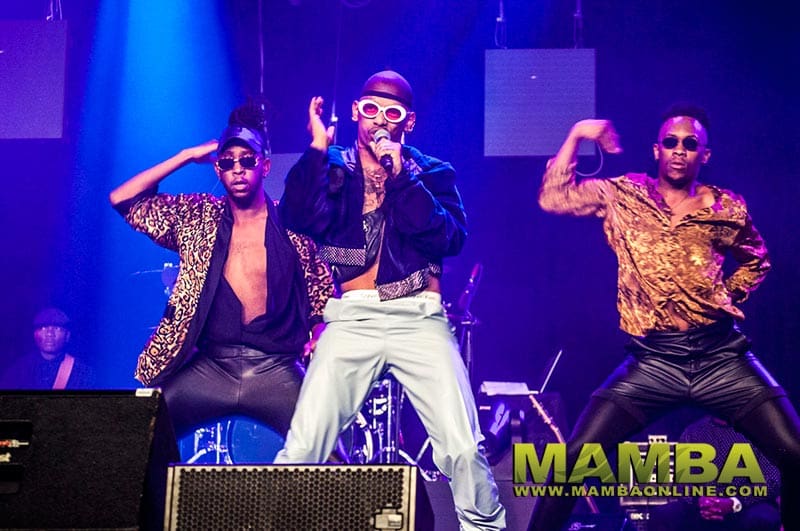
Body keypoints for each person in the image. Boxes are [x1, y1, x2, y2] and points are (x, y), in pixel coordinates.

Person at [528, 104, 800, 530]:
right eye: (670, 142)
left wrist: (726, 294)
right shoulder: (623, 194)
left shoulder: (726, 207)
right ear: (657, 150)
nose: (679, 150)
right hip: (654, 360)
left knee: (794, 453)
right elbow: (553, 196)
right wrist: (578, 133)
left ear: (704, 155)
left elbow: (757, 259)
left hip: (720, 356)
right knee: (576, 458)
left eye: (690, 144)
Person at [274, 70, 506, 530]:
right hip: (351, 318)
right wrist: (316, 148)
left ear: (409, 122)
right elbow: (295, 217)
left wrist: (401, 178)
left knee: (462, 447)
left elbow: (448, 238)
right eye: (371, 109)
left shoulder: (432, 173)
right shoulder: (333, 168)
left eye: (392, 112)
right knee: (303, 448)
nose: (380, 120)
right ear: (356, 112)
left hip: (419, 317)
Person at [108, 101, 333, 443]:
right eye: (227, 163)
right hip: (210, 367)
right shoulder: (197, 217)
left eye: (247, 161)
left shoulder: (292, 224)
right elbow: (122, 199)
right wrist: (186, 155)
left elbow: (322, 296)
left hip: (275, 367)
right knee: (138, 442)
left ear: (265, 166)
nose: (237, 170)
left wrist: (319, 332)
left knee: (330, 452)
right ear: (218, 170)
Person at [648, 415, 781, 531]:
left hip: (746, 505)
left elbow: (772, 479)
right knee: (664, 514)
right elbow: (682, 482)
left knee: (762, 517)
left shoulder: (757, 431)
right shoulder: (693, 432)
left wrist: (734, 502)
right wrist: (700, 501)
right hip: (701, 506)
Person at [0, 307, 96, 389]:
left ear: (67, 336)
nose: (50, 334)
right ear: (35, 334)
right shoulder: (20, 370)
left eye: (57, 328)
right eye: (43, 328)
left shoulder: (82, 372)